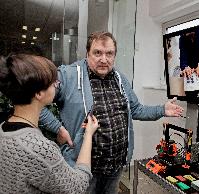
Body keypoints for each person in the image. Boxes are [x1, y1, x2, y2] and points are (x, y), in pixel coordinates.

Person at [39, 31, 184, 194]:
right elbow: (35, 100)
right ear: (87, 53)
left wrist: (162, 109)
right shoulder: (68, 75)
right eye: (97, 53)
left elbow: (136, 109)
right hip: (83, 170)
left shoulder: (120, 78)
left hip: (115, 167)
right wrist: (58, 128)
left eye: (109, 53)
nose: (104, 59)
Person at [0, 54, 99, 193]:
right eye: (54, 82)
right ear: (39, 93)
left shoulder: (4, 129)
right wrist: (88, 135)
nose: (57, 85)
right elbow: (77, 187)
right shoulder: (38, 148)